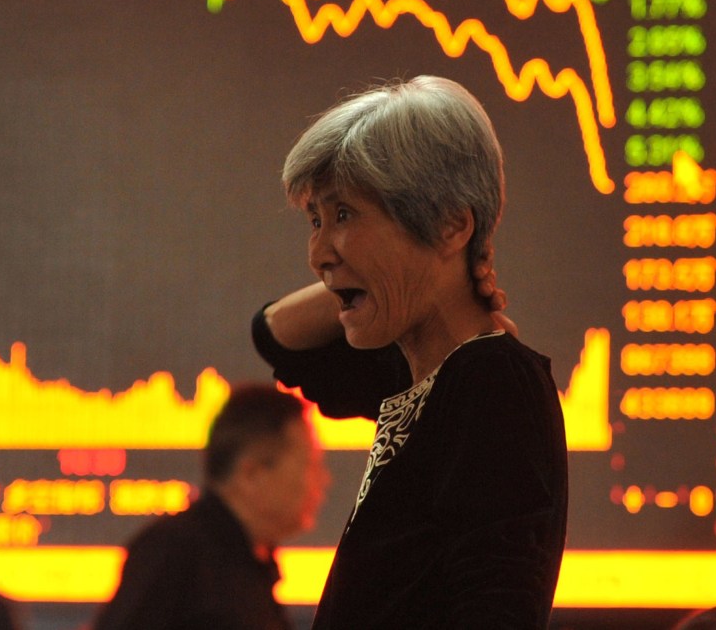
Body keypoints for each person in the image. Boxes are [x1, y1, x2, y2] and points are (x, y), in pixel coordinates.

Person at [251, 74, 568, 629]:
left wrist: (444, 273)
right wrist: (436, 273)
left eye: (345, 215)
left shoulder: (492, 383)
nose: (317, 254)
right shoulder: (420, 372)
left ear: (450, 224)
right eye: (315, 220)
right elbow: (275, 335)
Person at [93, 384, 329, 630]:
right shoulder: (175, 552)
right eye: (310, 465)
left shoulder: (251, 564)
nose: (323, 480)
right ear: (252, 474)